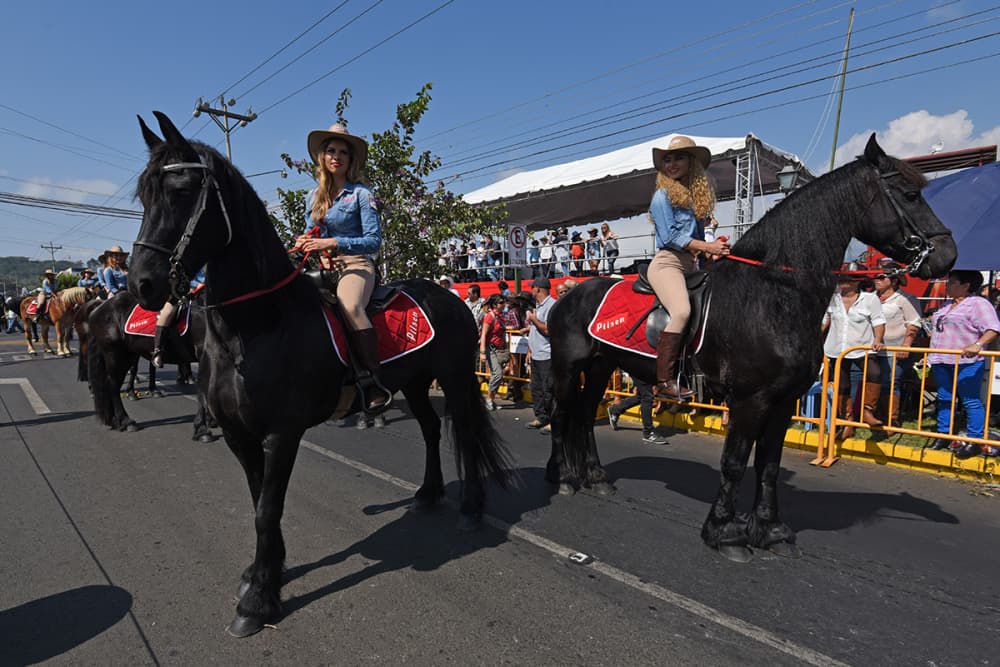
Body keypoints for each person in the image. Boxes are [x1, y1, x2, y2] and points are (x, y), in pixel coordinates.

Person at [293, 121, 391, 415]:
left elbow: (373, 241)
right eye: (331, 150)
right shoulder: (313, 197)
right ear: (322, 157)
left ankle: (372, 381)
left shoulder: (362, 195)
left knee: (350, 307)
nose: (336, 156)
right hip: (324, 269)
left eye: (343, 152)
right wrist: (304, 241)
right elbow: (312, 233)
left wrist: (333, 243)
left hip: (356, 265)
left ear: (350, 160)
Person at [647, 135, 729, 399]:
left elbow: (697, 240)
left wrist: (714, 249)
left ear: (692, 162)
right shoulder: (661, 196)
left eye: (679, 157)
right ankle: (663, 381)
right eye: (667, 160)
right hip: (667, 263)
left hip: (692, 265)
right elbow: (671, 237)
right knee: (682, 311)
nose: (672, 164)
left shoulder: (696, 199)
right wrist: (708, 247)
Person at [925, 270, 1000, 458]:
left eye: (952, 283)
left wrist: (978, 344)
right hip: (941, 358)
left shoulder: (978, 304)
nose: (947, 286)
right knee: (944, 398)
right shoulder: (947, 304)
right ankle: (943, 434)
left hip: (967, 360)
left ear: (966, 286)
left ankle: (974, 440)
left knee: (970, 400)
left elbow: (993, 328)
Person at [822, 271, 886, 440]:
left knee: (875, 373)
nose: (842, 282)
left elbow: (878, 321)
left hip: (861, 347)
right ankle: (846, 422)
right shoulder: (833, 298)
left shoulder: (870, 299)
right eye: (841, 278)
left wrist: (878, 339)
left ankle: (868, 412)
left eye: (847, 279)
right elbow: (825, 320)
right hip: (837, 348)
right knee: (842, 385)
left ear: (857, 282)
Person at [872, 264, 922, 426]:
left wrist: (906, 345)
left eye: (882, 277)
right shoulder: (869, 298)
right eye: (876, 277)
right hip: (871, 349)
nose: (877, 280)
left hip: (894, 349)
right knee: (873, 383)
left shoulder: (905, 299)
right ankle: (875, 416)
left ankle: (891, 419)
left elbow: (914, 323)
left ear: (894, 281)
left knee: (890, 382)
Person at [525, 277, 555, 430]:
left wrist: (533, 319)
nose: (531, 291)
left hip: (546, 355)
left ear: (538, 289)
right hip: (536, 354)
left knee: (548, 390)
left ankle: (552, 420)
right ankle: (541, 417)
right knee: (536, 388)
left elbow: (548, 330)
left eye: (533, 288)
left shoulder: (551, 306)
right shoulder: (539, 305)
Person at [607, 375, 669, 445]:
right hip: (639, 368)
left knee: (642, 395)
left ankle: (615, 410)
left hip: (645, 369)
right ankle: (648, 432)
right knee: (647, 396)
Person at [479, 295, 511, 411]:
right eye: (501, 302)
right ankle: (488, 399)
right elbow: (483, 334)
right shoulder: (490, 316)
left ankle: (490, 400)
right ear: (494, 305)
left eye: (504, 302)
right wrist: (482, 352)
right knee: (497, 374)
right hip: (491, 349)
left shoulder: (501, 316)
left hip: (499, 349)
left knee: (497, 375)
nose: (504, 304)